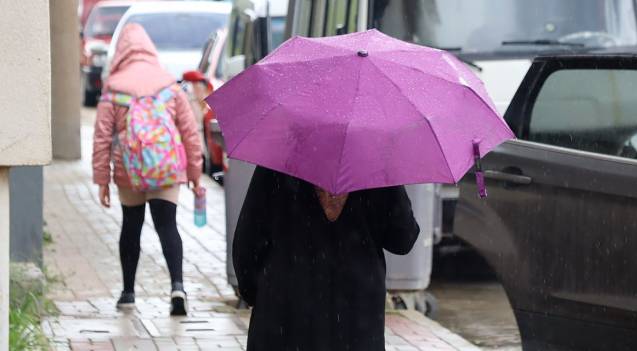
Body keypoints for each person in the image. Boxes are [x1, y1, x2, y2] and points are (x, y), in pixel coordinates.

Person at [233, 167, 420, 350]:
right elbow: (403, 239)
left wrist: (260, 295)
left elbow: (247, 244)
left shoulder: (279, 163)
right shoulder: (376, 167)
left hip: (285, 313)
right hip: (356, 317)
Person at [92, 23, 202, 316]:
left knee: (131, 226)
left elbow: (102, 137)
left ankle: (128, 293)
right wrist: (194, 173)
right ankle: (177, 286)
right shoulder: (169, 84)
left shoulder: (114, 87)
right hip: (166, 168)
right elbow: (189, 132)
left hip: (130, 169)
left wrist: (102, 179)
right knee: (168, 226)